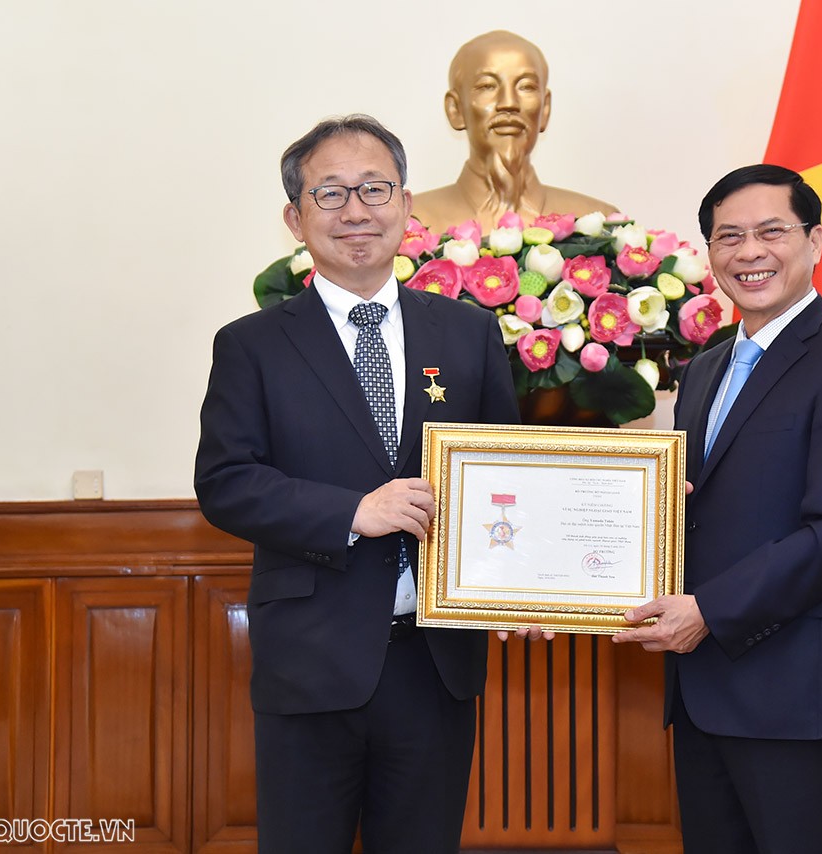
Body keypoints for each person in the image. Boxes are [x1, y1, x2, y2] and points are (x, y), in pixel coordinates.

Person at [194, 114, 520, 853]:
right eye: (331, 193)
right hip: (311, 660)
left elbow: (504, 471)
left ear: (406, 205)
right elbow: (224, 482)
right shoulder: (253, 345)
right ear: (295, 218)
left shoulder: (468, 334)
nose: (355, 211)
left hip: (436, 664)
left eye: (374, 189)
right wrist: (353, 512)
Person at [612, 164, 822, 853]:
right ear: (709, 253)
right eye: (728, 237)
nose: (749, 252)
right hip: (704, 694)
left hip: (801, 699)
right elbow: (693, 508)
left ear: (815, 243)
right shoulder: (708, 366)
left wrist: (711, 610)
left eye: (771, 232)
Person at [411, 30, 617, 233]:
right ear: (455, 109)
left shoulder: (599, 225)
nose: (508, 103)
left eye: (526, 87)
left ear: (545, 109)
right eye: (487, 86)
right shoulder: (412, 224)